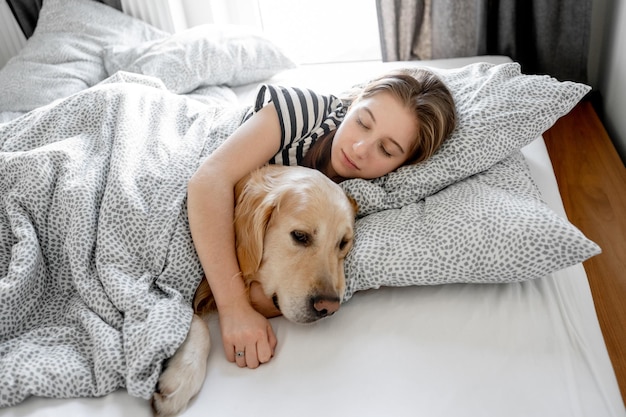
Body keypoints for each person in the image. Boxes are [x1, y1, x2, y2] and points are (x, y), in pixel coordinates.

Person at [186, 68, 456, 370]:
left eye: (386, 149)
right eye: (362, 123)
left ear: (402, 165)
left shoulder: (368, 192)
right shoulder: (303, 112)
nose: (360, 149)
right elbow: (209, 181)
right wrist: (234, 308)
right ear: (353, 104)